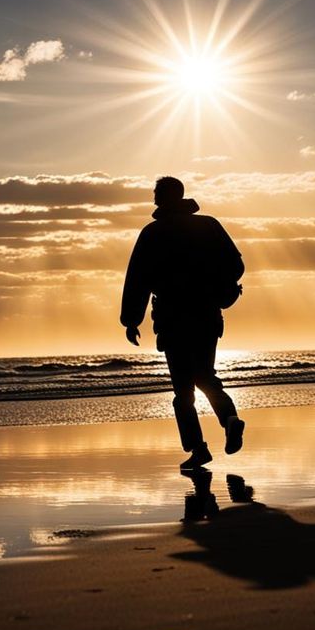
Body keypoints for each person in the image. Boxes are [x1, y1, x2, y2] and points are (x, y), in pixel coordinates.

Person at [120, 177, 246, 472]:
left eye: (155, 195)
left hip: (172, 319)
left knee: (183, 392)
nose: (153, 200)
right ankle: (229, 419)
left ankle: (198, 449)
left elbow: (137, 280)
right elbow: (237, 265)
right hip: (206, 315)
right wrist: (217, 286)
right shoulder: (209, 225)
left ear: (160, 199)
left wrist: (130, 320)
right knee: (206, 376)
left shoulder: (152, 233)